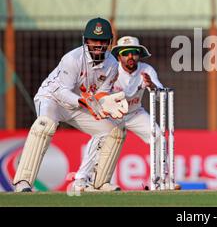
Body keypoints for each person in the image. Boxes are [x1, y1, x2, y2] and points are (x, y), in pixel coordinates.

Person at [13, 17, 129, 192]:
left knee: (114, 131)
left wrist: (105, 103)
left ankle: (100, 182)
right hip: (53, 98)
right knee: (45, 126)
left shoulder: (112, 64)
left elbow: (101, 94)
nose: (98, 44)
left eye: (102, 40)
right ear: (85, 40)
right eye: (94, 40)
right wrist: (85, 101)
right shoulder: (73, 59)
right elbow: (62, 92)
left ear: (109, 42)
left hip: (82, 104)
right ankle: (23, 181)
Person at [72, 36, 171, 191]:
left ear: (139, 54)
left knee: (158, 136)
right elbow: (97, 93)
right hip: (113, 114)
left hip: (135, 113)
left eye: (134, 52)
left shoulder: (147, 70)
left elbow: (161, 96)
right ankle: (81, 179)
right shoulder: (111, 68)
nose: (130, 56)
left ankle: (160, 181)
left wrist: (151, 86)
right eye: (125, 53)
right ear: (119, 56)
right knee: (98, 137)